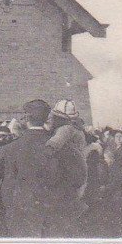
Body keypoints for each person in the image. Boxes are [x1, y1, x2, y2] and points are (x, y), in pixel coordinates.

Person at [0, 99, 52, 238]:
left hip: (16, 208)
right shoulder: (60, 146)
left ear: (26, 118)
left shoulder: (9, 148)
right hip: (50, 209)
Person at [42, 100, 88, 237]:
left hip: (68, 175)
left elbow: (50, 148)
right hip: (78, 172)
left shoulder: (65, 130)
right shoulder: (76, 129)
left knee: (62, 215)